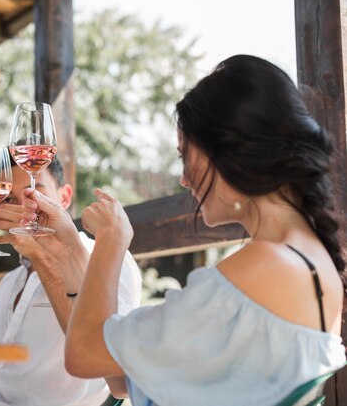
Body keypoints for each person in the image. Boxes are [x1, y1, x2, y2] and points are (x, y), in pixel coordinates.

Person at [20, 55, 347, 406]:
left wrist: (111, 242)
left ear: (227, 150)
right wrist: (69, 245)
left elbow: (83, 354)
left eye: (184, 155)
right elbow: (119, 381)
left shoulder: (264, 267)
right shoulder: (312, 262)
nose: (183, 178)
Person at [0, 156, 142, 406]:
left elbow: (117, 373)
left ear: (64, 197)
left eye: (33, 196)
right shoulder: (10, 282)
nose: (22, 210)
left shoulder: (104, 260)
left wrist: (41, 255)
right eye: (7, 200)